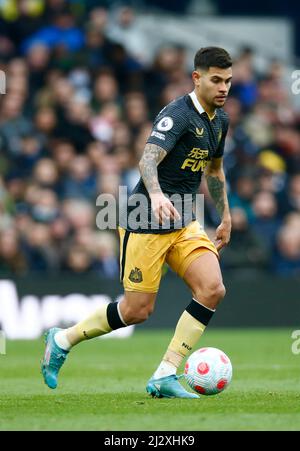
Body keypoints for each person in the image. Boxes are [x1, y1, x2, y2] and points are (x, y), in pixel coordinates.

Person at [41, 46, 232, 398]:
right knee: (136, 311)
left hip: (184, 220)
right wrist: (157, 195)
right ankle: (63, 339)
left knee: (212, 288)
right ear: (197, 77)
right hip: (144, 220)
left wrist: (225, 215)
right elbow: (147, 159)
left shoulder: (220, 121)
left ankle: (165, 373)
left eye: (228, 81)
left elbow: (215, 171)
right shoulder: (177, 115)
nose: (223, 88)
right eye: (216, 80)